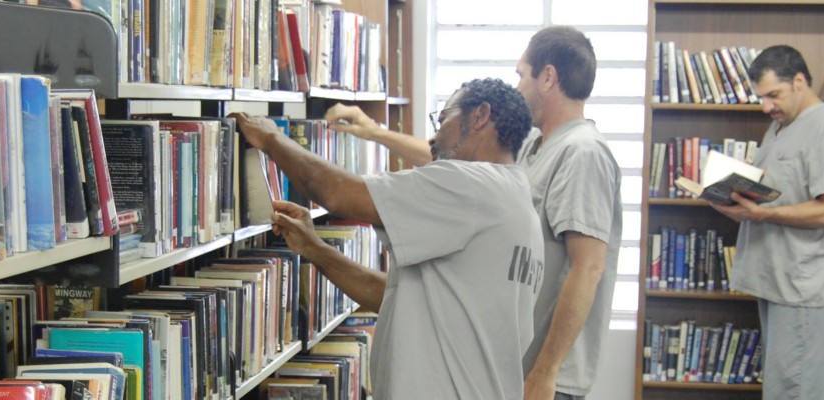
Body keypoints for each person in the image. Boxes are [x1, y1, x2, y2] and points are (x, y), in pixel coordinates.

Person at [324, 26, 623, 400]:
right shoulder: (532, 143)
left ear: (548, 77)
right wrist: (373, 132)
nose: (517, 87)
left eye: (521, 74)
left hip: (548, 377)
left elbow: (589, 267)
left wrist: (546, 372)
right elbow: (452, 164)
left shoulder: (583, 153)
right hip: (512, 365)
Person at [234, 78, 545, 399]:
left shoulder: (472, 185)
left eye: (443, 119)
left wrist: (271, 137)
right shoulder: (518, 205)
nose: (435, 136)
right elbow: (393, 298)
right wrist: (314, 249)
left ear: (480, 116)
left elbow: (335, 192)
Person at [711, 45, 824, 400]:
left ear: (800, 81)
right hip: (781, 283)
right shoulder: (780, 128)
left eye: (774, 95)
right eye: (761, 97)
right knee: (783, 391)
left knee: (797, 392)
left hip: (808, 289)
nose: (766, 106)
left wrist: (763, 213)